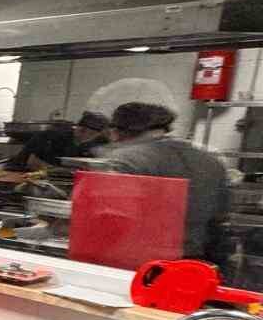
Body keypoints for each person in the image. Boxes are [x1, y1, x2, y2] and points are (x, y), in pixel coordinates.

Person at [95, 101, 232, 261]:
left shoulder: (125, 159)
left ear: (117, 131)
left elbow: (109, 217)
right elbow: (220, 216)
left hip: (140, 259)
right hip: (195, 258)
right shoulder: (210, 160)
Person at [5, 111, 110, 170]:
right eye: (82, 130)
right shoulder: (53, 136)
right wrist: (63, 173)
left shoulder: (92, 144)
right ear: (78, 127)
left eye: (92, 134)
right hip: (18, 173)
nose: (86, 135)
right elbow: (33, 163)